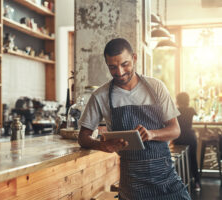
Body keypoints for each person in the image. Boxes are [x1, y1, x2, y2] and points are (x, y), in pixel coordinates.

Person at [78, 38, 191, 200]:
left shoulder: (156, 87)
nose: (120, 72)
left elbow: (175, 130)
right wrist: (102, 145)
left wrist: (152, 134)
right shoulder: (100, 96)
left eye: (125, 64)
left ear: (134, 58)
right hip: (132, 184)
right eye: (112, 67)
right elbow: (83, 137)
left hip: (166, 179)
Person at [173, 92, 200, 191]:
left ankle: (180, 182)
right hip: (190, 137)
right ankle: (197, 183)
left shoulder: (175, 110)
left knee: (179, 160)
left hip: (179, 138)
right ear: (188, 100)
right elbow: (197, 114)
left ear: (178, 100)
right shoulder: (191, 110)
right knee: (193, 159)